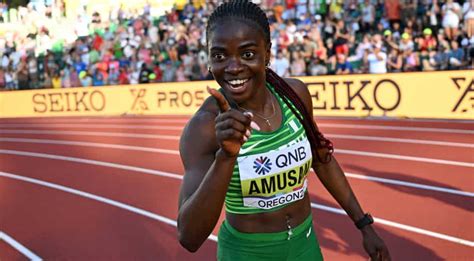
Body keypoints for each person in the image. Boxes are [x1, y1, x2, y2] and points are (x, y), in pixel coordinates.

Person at [177, 1, 390, 261]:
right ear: (209, 59)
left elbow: (323, 160)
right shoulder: (205, 126)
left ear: (267, 53)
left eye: (247, 54)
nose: (233, 68)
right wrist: (226, 157)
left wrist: (363, 224)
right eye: (220, 56)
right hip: (246, 253)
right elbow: (189, 237)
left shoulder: (295, 95)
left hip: (305, 244)